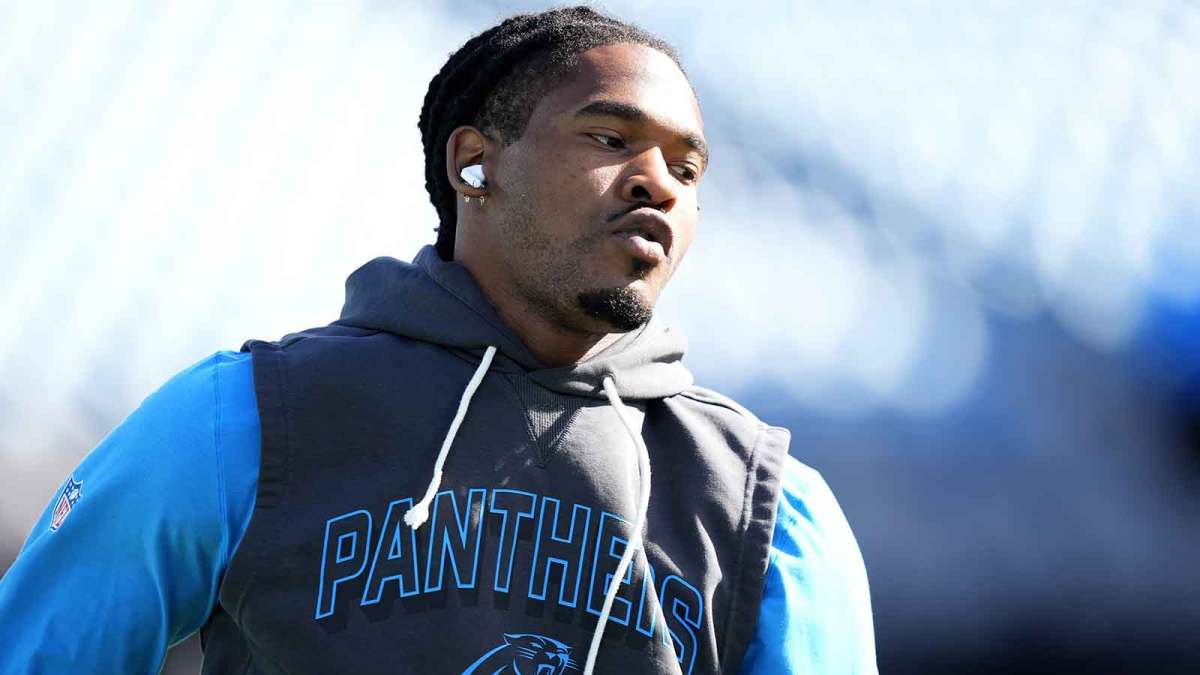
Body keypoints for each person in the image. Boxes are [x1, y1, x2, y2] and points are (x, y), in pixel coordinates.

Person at [0, 7, 876, 674]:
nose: (658, 182)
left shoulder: (769, 501)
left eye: (687, 169)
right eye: (612, 138)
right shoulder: (248, 419)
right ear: (473, 164)